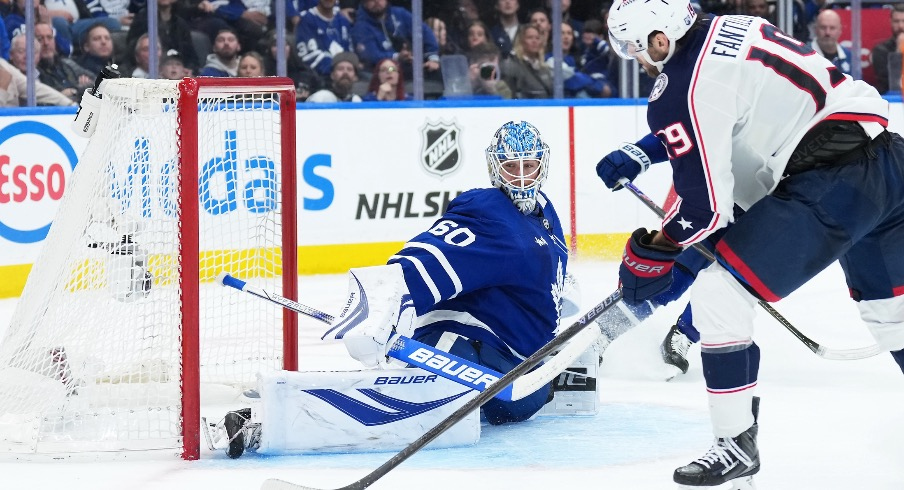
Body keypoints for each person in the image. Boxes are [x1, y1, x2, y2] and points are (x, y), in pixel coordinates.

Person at [601, 2, 904, 488]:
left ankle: (733, 441)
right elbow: (728, 105)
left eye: (637, 48)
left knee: (720, 292)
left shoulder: (678, 88)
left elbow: (706, 211)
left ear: (660, 39)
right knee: (896, 319)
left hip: (832, 183)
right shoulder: (732, 26)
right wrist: (648, 149)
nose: (638, 59)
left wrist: (653, 250)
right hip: (889, 162)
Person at [215, 120, 572, 457]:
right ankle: (263, 424)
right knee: (415, 407)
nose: (523, 177)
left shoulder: (545, 213)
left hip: (512, 368)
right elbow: (417, 262)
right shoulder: (489, 211)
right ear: (496, 168)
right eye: (513, 167)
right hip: (461, 347)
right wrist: (380, 308)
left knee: (520, 402)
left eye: (531, 166)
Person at [350, 0, 440, 78]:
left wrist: (433, 58)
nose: (377, 1)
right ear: (364, 2)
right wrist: (397, 57)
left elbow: (425, 32)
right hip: (380, 75)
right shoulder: (360, 27)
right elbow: (371, 55)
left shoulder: (400, 13)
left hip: (413, 69)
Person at [1, 34, 75, 107]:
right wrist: (2, 90)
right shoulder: (5, 70)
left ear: (39, 55)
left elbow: (35, 89)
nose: (27, 56)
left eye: (32, 52)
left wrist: (71, 104)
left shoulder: (47, 77)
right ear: (11, 54)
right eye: (21, 51)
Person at [294, 0, 353, 78]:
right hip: (319, 78)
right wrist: (335, 69)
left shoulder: (342, 20)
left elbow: (349, 52)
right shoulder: (306, 20)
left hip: (343, 76)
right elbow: (309, 57)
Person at [501, 24, 552, 99]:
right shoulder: (512, 65)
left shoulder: (545, 68)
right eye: (530, 37)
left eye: (537, 38)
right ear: (521, 41)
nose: (534, 41)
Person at [870, 4, 904, 94]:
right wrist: (899, 50)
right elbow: (888, 83)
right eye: (896, 21)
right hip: (891, 100)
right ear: (891, 22)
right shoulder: (880, 50)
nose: (900, 26)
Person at [811, 9, 852, 77]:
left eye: (832, 28)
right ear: (816, 29)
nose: (827, 32)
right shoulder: (804, 54)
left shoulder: (849, 56)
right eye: (823, 27)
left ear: (840, 30)